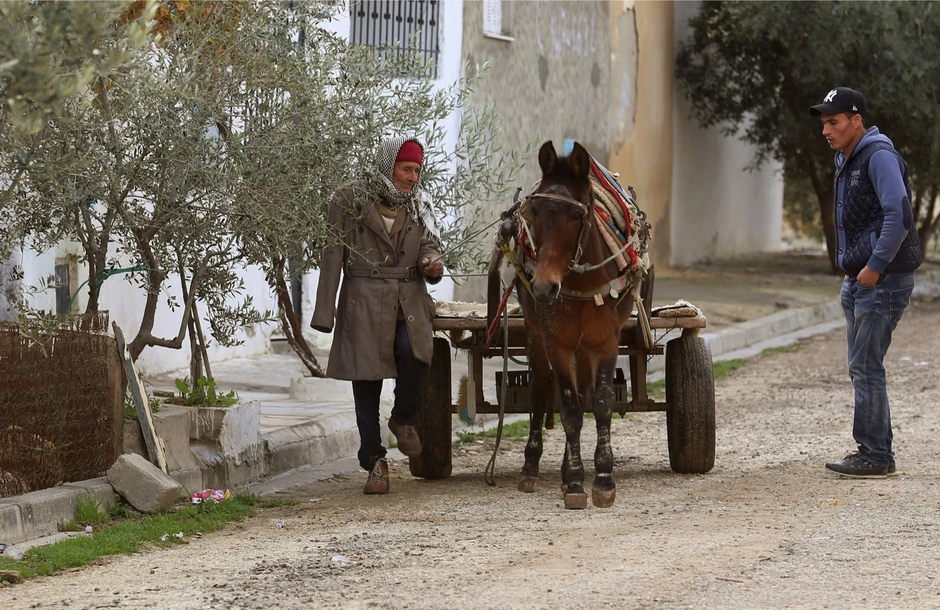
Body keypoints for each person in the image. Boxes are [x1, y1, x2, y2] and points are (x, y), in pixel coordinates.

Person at [311, 137, 444, 494]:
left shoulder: (420, 202)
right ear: (389, 166)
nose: (413, 177)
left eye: (417, 170)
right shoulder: (349, 199)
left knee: (416, 355)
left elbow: (430, 244)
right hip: (363, 300)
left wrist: (432, 265)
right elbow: (332, 252)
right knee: (366, 382)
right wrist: (326, 313)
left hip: (408, 300)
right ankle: (374, 461)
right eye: (406, 168)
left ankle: (402, 419)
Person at [809, 87, 922, 478]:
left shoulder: (879, 157)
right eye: (824, 122)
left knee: (866, 365)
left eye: (833, 122)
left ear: (856, 121)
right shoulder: (847, 157)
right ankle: (875, 449)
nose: (826, 130)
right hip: (861, 279)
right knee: (863, 366)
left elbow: (900, 216)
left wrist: (873, 266)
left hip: (883, 279)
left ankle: (876, 455)